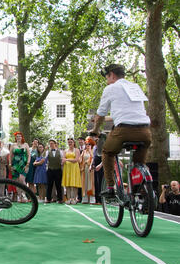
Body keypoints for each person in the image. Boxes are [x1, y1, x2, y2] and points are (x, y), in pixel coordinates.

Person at [90, 64, 152, 199]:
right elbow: (127, 112)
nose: (106, 81)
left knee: (107, 152)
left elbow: (100, 115)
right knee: (139, 164)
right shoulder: (135, 87)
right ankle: (144, 192)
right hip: (145, 131)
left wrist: (95, 130)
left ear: (111, 74)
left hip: (124, 130)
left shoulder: (110, 88)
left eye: (107, 77)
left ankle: (111, 188)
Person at [9, 132, 30, 202]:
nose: (18, 137)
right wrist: (10, 164)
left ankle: (24, 194)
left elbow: (28, 155)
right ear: (15, 138)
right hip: (15, 164)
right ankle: (19, 196)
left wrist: (28, 164)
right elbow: (10, 155)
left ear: (22, 137)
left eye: (20, 136)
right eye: (17, 136)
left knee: (22, 179)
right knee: (17, 181)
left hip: (23, 164)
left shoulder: (25, 144)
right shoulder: (13, 145)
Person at [62, 138, 82, 204]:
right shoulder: (65, 150)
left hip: (74, 168)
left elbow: (76, 159)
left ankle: (74, 198)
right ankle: (69, 198)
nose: (70, 143)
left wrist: (67, 160)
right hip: (67, 168)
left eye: (71, 142)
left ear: (74, 143)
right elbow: (63, 158)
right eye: (69, 142)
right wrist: (63, 161)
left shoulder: (76, 150)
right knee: (68, 183)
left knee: (74, 183)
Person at [46, 139, 64, 204]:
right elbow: (43, 157)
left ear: (55, 144)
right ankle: (48, 199)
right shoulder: (47, 152)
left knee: (58, 185)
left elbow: (62, 159)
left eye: (52, 143)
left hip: (58, 170)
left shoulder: (60, 151)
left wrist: (62, 163)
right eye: (50, 143)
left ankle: (60, 199)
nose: (51, 145)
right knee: (49, 185)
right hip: (50, 169)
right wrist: (45, 150)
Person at [80, 137, 96, 204]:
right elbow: (80, 160)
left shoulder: (93, 151)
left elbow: (94, 159)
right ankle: (85, 198)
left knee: (91, 183)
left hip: (91, 170)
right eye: (86, 144)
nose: (88, 146)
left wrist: (90, 152)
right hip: (84, 169)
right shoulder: (83, 152)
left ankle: (92, 198)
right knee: (85, 183)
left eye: (89, 144)